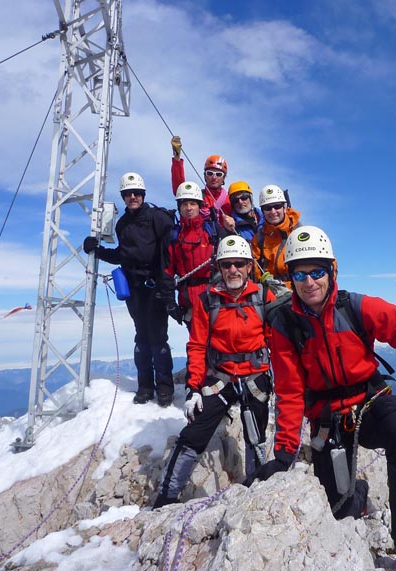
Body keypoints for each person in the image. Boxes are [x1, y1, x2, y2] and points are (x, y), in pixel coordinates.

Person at [245, 225, 396, 571]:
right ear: (290, 278)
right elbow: (290, 391)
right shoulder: (286, 325)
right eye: (299, 274)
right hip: (327, 417)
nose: (309, 282)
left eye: (317, 272)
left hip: (370, 402)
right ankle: (357, 495)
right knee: (339, 510)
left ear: (332, 271)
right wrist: (284, 454)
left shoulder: (359, 308)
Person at [152, 236, 276, 508]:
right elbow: (197, 345)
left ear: (249, 266)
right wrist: (194, 387)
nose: (233, 270)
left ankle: (254, 490)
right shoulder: (207, 300)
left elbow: (276, 341)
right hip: (220, 378)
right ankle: (166, 497)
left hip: (255, 376)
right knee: (194, 434)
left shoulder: (263, 297)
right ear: (219, 267)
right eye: (227, 264)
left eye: (239, 264)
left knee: (256, 435)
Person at [83, 172, 176, 407]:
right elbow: (123, 256)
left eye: (136, 193)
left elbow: (168, 255)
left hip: (156, 287)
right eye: (127, 194)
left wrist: (166, 288)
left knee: (158, 337)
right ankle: (145, 387)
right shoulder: (122, 224)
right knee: (141, 337)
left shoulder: (158, 218)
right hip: (134, 290)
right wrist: (98, 250)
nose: (132, 197)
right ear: (123, 196)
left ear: (143, 194)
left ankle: (165, 389)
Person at [165, 181, 221, 330]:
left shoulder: (212, 231)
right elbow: (167, 271)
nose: (189, 208)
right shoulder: (174, 236)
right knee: (197, 342)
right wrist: (170, 302)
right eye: (184, 204)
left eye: (193, 203)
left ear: (199, 206)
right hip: (189, 302)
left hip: (214, 298)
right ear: (179, 207)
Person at [170, 135, 235, 233]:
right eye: (210, 173)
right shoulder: (198, 196)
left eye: (218, 174)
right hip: (199, 238)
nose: (214, 177)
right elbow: (179, 190)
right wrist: (177, 160)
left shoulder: (230, 200)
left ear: (224, 178)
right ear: (204, 175)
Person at [250, 184, 301, 286]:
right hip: (270, 290)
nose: (273, 212)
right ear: (262, 211)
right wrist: (263, 283)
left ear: (284, 208)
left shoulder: (300, 232)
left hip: (299, 288)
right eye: (267, 208)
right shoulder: (259, 238)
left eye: (277, 206)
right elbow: (254, 268)